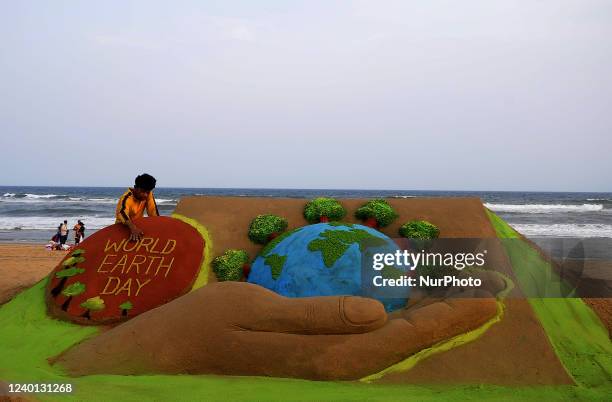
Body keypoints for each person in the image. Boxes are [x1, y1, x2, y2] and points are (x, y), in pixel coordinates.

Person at [115, 173, 159, 242]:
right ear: (135, 187)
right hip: (122, 229)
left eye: (147, 192)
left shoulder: (148, 194)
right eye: (142, 191)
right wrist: (133, 228)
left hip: (137, 228)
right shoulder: (126, 198)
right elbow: (122, 214)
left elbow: (153, 212)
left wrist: (160, 227)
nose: (145, 195)